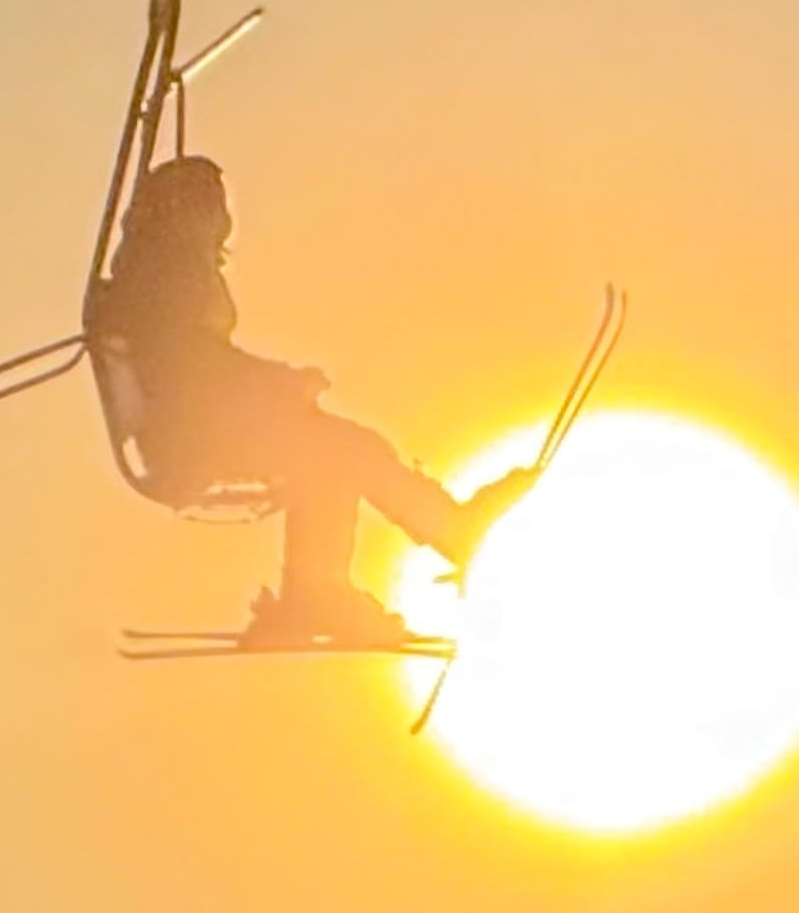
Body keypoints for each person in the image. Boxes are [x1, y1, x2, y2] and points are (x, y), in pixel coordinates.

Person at [93, 155, 534, 642]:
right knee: (340, 451)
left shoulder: (165, 272)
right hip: (193, 435)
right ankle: (365, 570)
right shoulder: (166, 279)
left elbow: (203, 364)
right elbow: (186, 369)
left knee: (336, 448)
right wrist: (280, 386)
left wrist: (280, 385)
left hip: (204, 422)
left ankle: (320, 591)